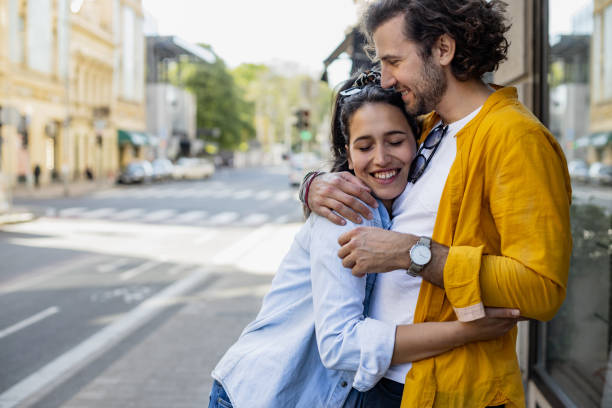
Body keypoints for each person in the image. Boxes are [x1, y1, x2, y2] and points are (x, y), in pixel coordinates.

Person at [301, 1, 572, 407]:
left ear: (443, 49)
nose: (387, 80)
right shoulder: (427, 126)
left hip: (452, 392)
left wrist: (412, 254)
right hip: (382, 380)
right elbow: (369, 167)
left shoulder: (515, 138)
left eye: (394, 61)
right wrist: (312, 185)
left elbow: (541, 289)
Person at [209, 72, 519, 408]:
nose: (382, 158)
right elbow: (342, 345)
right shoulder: (346, 212)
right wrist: (467, 332)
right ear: (348, 152)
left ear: (418, 138)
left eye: (395, 140)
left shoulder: (412, 195)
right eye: (365, 146)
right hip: (262, 395)